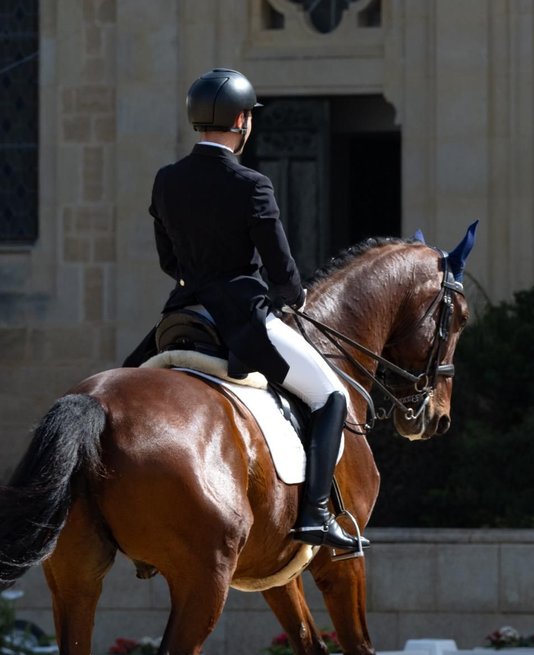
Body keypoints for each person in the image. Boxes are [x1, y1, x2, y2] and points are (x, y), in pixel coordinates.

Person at [127, 67, 367, 553]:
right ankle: (317, 515)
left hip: (182, 312)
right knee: (331, 397)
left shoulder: (166, 180)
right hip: (240, 315)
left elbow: (168, 261)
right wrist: (293, 296)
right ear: (242, 120)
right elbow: (281, 268)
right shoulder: (252, 184)